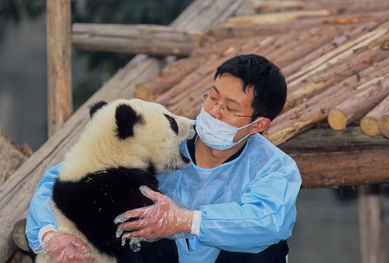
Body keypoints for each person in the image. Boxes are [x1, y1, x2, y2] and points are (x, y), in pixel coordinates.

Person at [26, 54, 302, 263]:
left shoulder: (275, 168)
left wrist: (185, 221)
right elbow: (66, 177)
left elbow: (267, 221)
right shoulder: (165, 137)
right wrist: (49, 235)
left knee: (266, 250)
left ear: (258, 125)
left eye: (229, 108)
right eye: (212, 98)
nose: (213, 112)